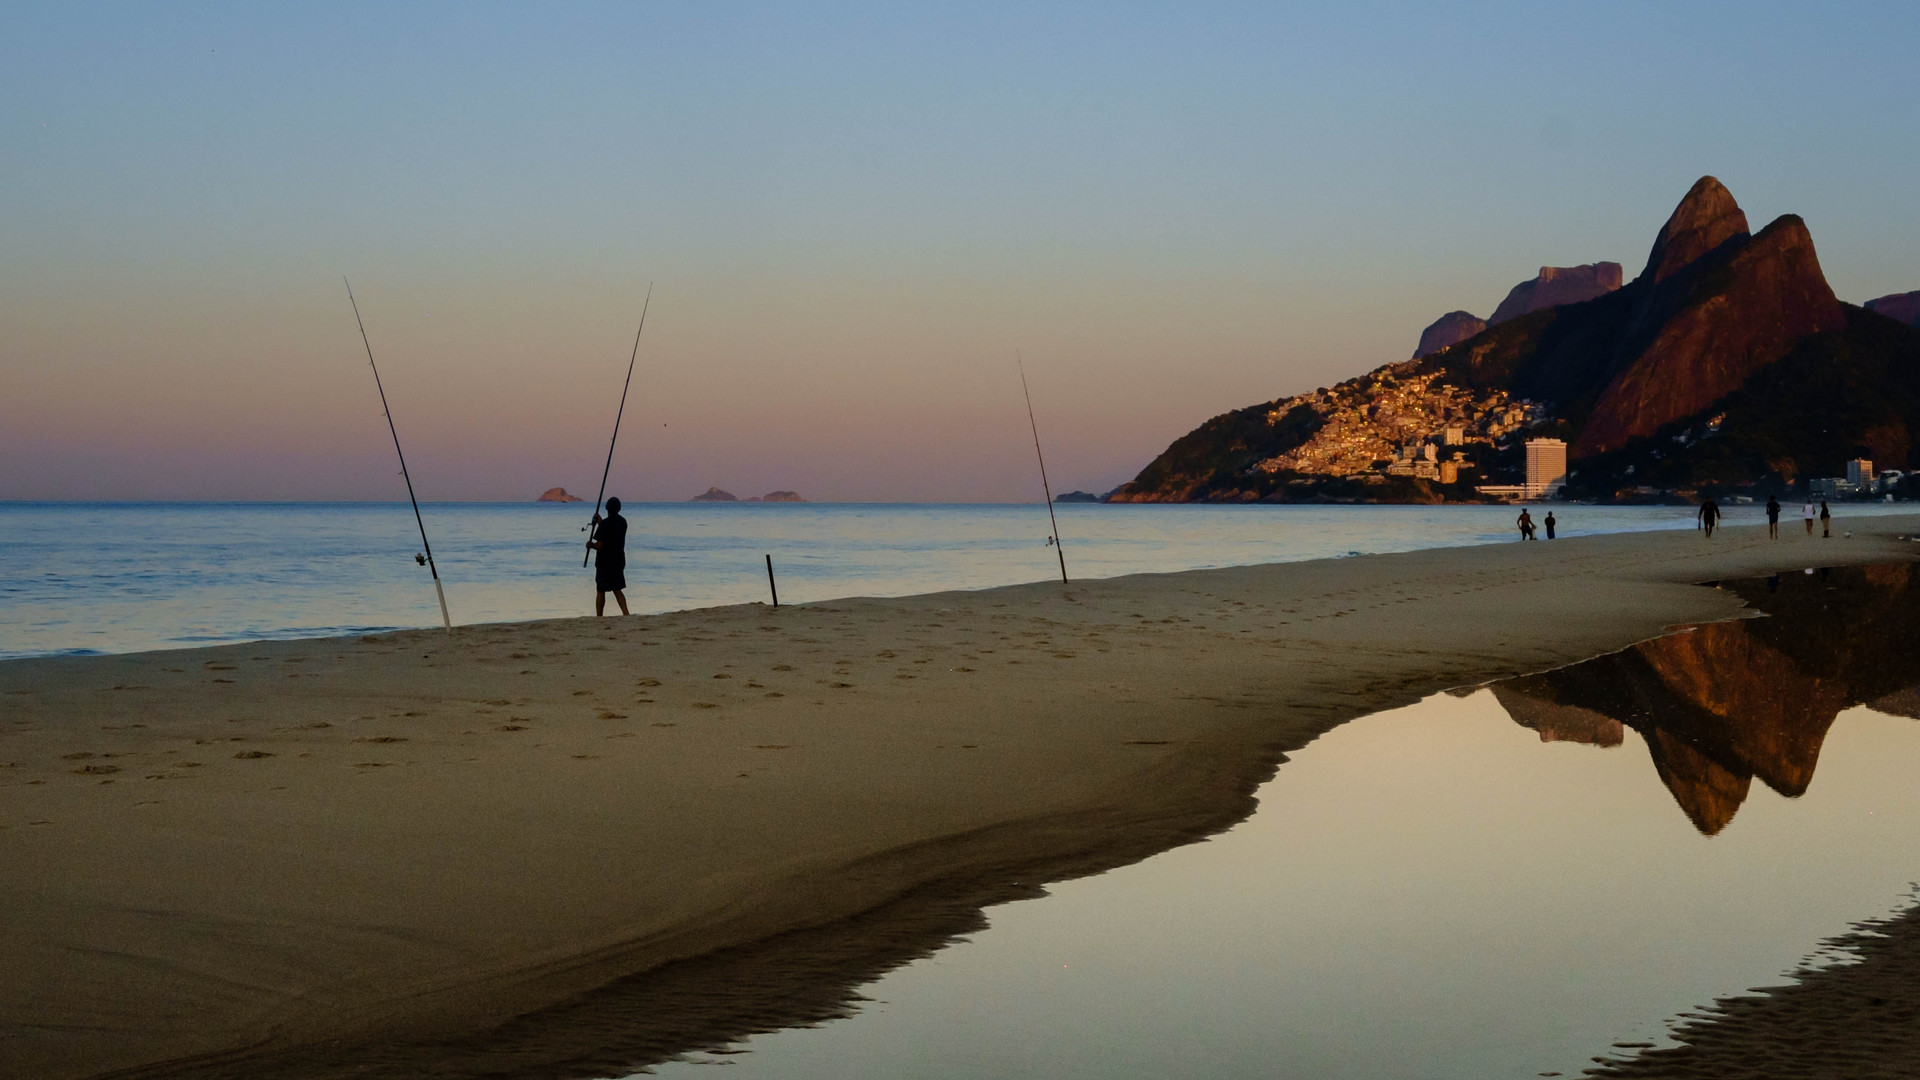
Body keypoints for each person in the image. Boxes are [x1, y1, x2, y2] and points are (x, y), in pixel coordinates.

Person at [587, 497, 630, 616]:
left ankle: (599, 616)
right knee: (617, 589)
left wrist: (591, 545)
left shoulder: (605, 524)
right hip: (618, 560)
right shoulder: (623, 522)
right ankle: (626, 613)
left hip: (605, 563)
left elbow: (600, 545)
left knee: (601, 590)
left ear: (607, 508)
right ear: (619, 508)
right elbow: (611, 530)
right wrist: (601, 522)